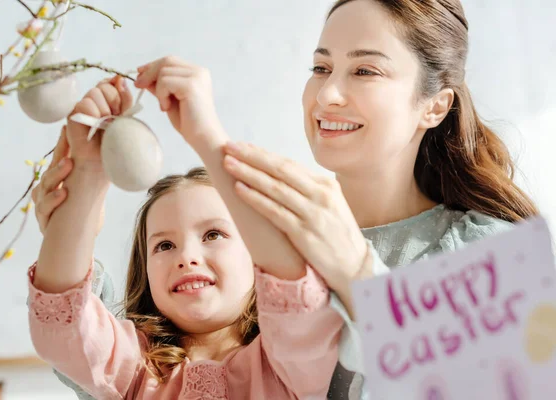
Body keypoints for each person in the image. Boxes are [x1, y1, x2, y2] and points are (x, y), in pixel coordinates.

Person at [215, 0, 538, 398]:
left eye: (365, 70)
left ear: (435, 105)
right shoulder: (260, 242)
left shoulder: (494, 255)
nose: (328, 94)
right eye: (321, 68)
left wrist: (356, 270)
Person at [27, 75, 344, 399]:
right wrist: (87, 174)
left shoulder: (289, 361)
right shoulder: (135, 367)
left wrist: (206, 136)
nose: (186, 256)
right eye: (164, 245)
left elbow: (296, 293)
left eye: (213, 234)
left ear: (255, 256)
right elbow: (60, 322)